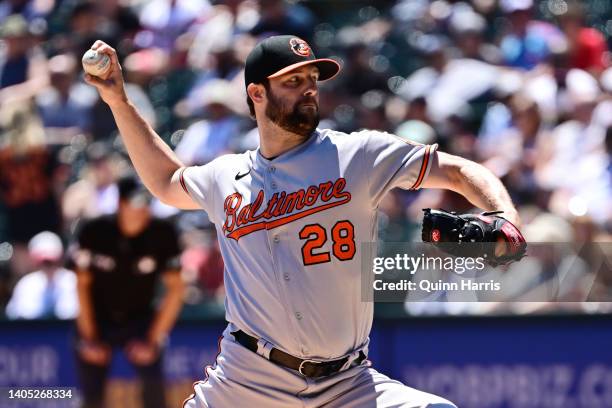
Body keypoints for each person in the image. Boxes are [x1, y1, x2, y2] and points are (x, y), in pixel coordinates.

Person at [85, 35, 522, 408]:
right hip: (249, 380)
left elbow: (458, 170)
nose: (309, 90)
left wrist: (503, 217)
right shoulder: (226, 176)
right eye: (293, 81)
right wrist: (118, 100)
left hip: (347, 383)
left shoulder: (357, 155)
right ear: (257, 94)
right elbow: (166, 181)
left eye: (312, 81)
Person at [73, 176, 184, 408]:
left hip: (141, 319)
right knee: (92, 398)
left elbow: (176, 290)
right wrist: (89, 338)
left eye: (146, 202)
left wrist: (153, 341)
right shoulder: (94, 231)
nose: (142, 209)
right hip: (98, 318)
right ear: (120, 204)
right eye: (135, 202)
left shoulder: (163, 233)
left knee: (155, 397)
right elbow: (81, 285)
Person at [6, 231, 77, 320]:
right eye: (44, 262)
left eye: (51, 261)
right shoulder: (26, 285)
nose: (48, 265)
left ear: (61, 258)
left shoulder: (73, 281)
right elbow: (13, 318)